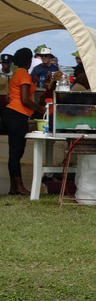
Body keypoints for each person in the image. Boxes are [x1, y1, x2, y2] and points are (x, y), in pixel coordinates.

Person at [3, 48, 39, 195]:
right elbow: (25, 100)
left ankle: (14, 188)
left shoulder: (16, 73)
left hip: (11, 114)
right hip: (17, 115)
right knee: (16, 154)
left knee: (14, 154)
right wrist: (40, 108)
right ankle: (19, 187)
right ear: (29, 61)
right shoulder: (24, 74)